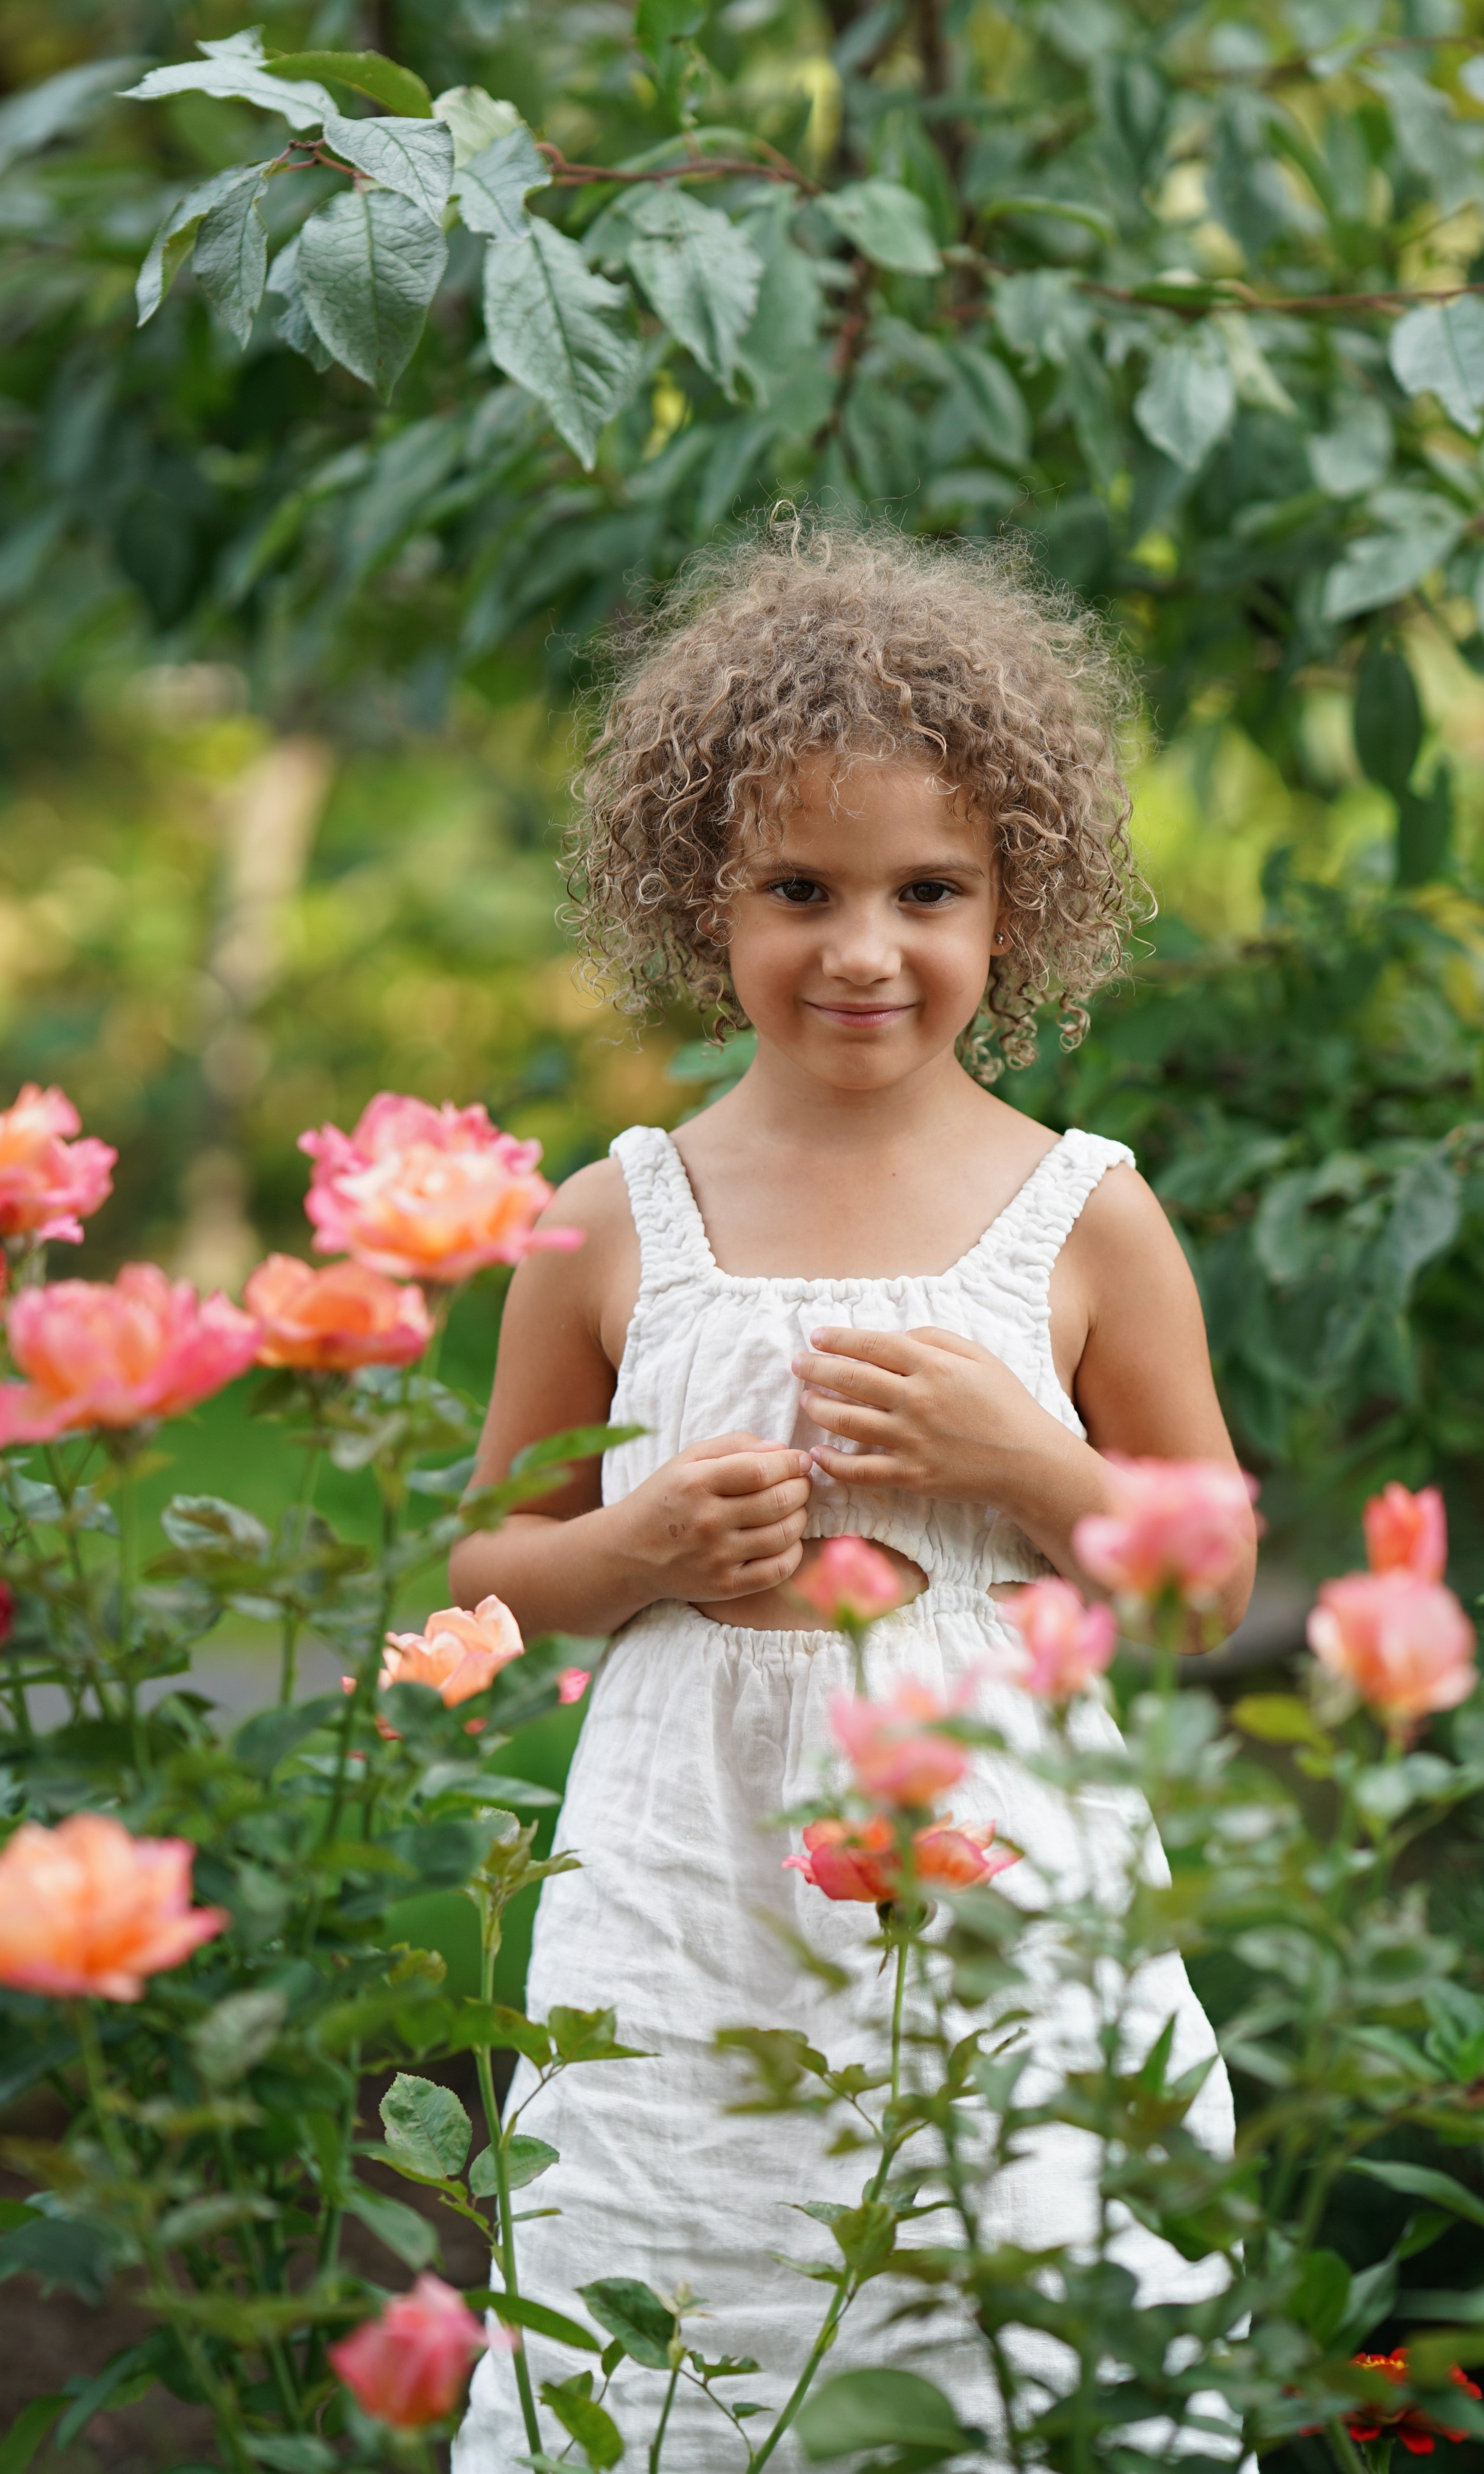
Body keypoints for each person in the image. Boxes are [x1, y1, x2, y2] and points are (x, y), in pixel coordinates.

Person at [450, 522, 1254, 2471]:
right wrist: (627, 1552)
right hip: (684, 1864)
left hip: (986, 1858)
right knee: (667, 2283)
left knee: (1005, 2297)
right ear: (694, 892)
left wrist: (1024, 1465)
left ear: (1018, 898)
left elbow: (1210, 1577)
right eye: (798, 887)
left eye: (931, 889)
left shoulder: (1084, 1213)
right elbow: (481, 1557)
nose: (865, 947)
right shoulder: (611, 1219)